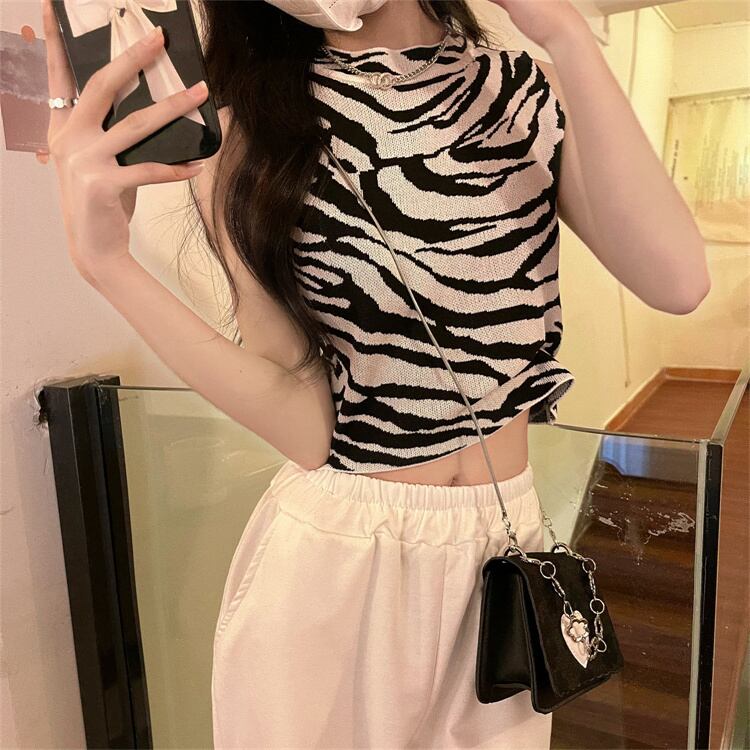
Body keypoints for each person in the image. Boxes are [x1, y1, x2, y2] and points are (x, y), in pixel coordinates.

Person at [42, 0, 710, 746]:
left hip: (504, 553)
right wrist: (107, 265)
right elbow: (304, 422)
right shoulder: (253, 129)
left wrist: (563, 28)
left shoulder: (528, 89)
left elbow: (678, 280)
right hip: (339, 563)